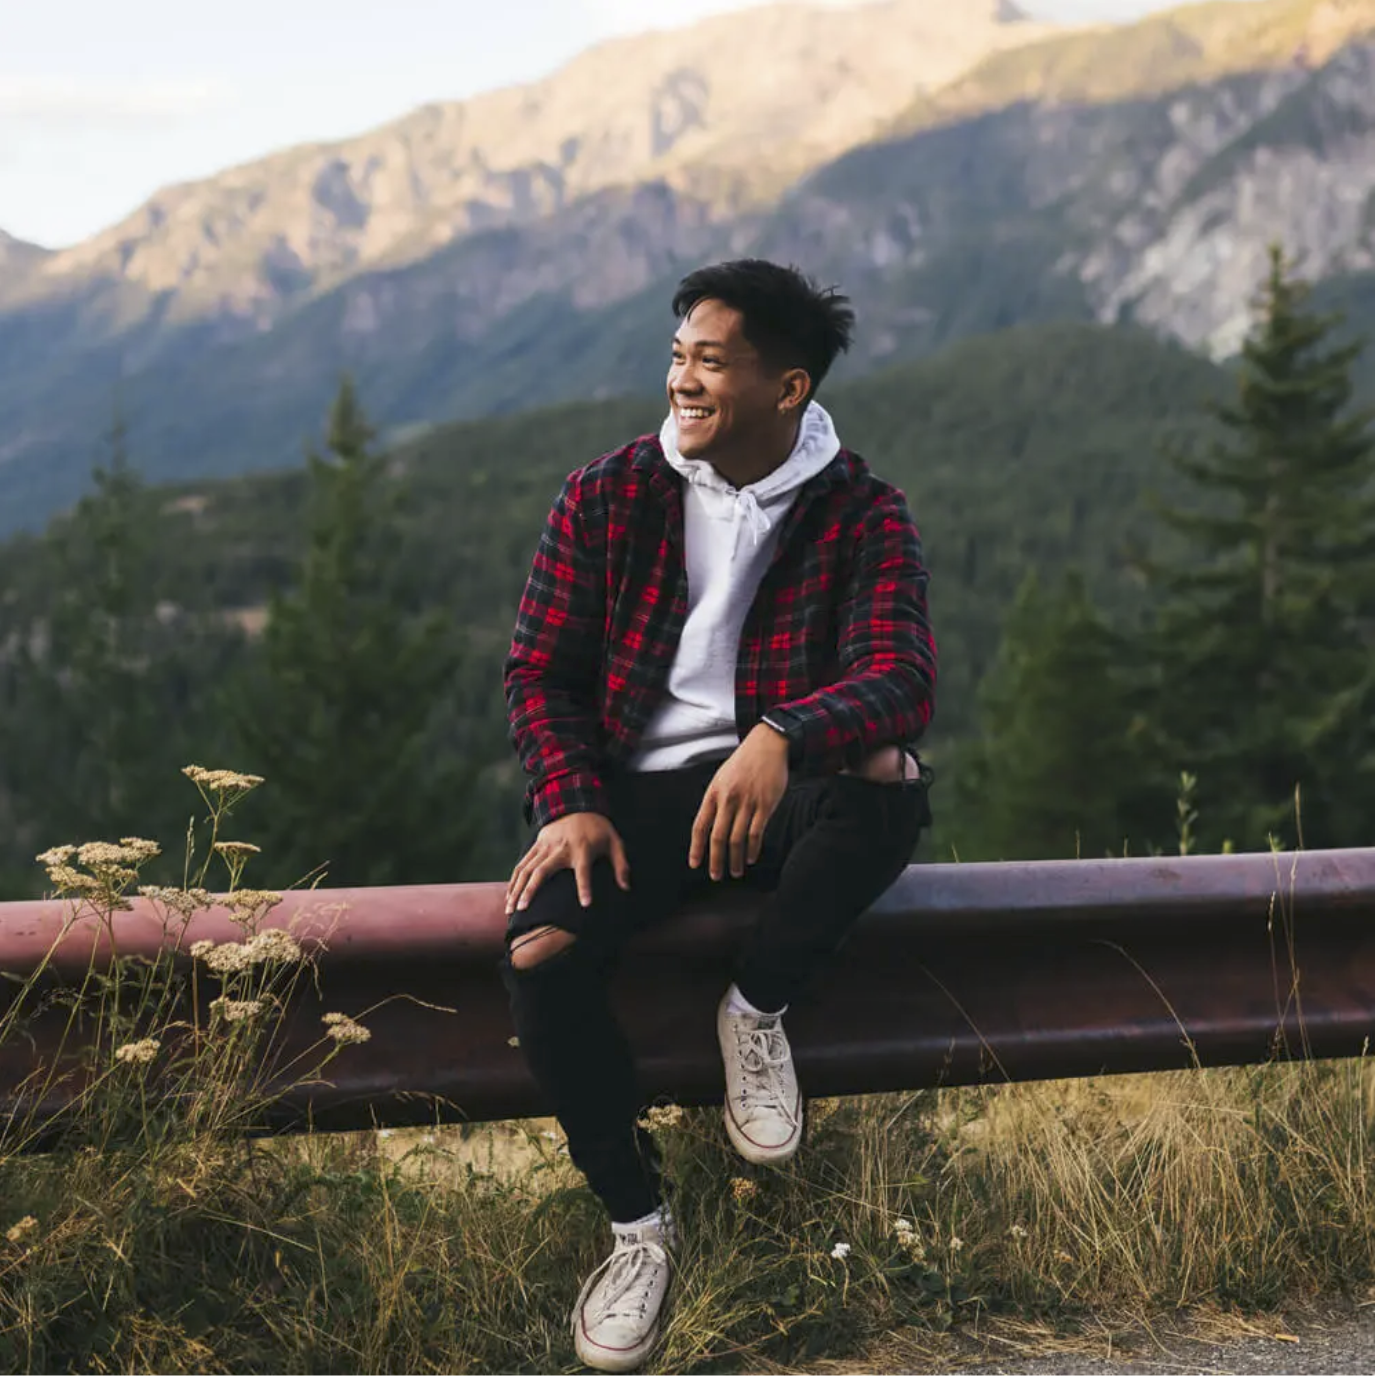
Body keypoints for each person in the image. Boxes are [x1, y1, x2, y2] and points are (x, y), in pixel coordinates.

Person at [502, 258, 936, 1373]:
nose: (681, 381)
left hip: (776, 785)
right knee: (542, 949)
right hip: (633, 799)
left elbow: (901, 677)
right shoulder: (606, 493)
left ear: (787, 387)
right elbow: (540, 671)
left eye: (709, 361)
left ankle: (755, 1009)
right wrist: (571, 801)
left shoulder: (862, 510)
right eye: (676, 356)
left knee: (886, 773)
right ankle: (638, 1231)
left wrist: (783, 733)